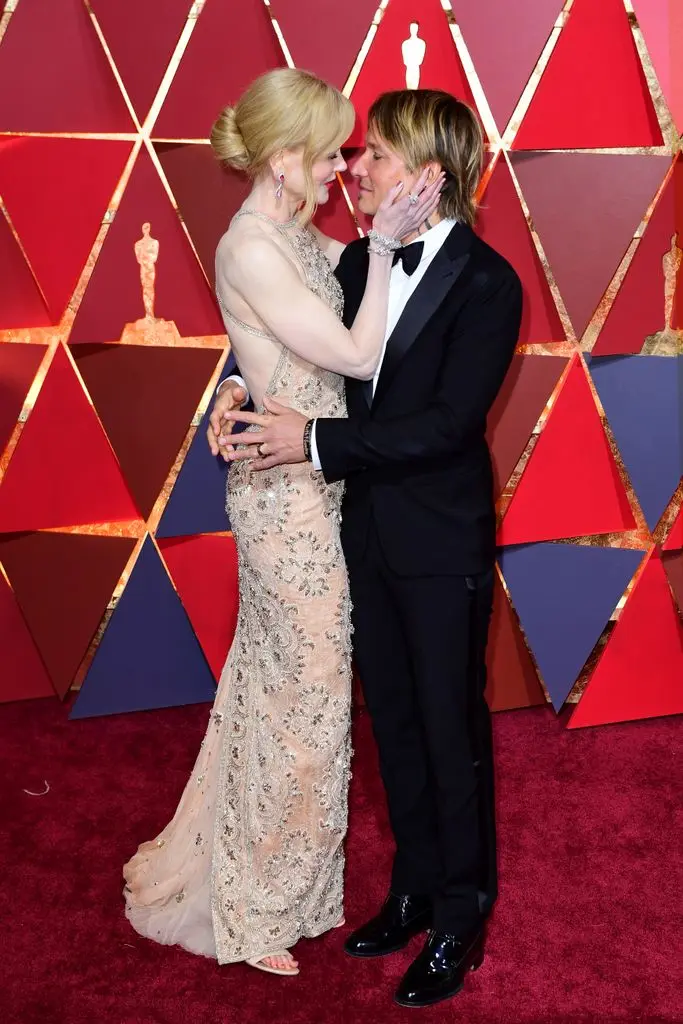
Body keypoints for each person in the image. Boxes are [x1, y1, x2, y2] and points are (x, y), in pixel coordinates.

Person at [122, 68, 440, 978]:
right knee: (302, 698)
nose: (345, 166)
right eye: (334, 149)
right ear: (285, 156)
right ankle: (257, 905)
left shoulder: (290, 237)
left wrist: (242, 385)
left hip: (316, 480)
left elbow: (277, 354)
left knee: (278, 689)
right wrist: (381, 251)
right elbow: (350, 351)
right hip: (286, 504)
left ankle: (274, 885)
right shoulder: (254, 245)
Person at [214, 88, 523, 1008]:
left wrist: (310, 444)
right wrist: (241, 390)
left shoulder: (489, 282)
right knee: (391, 722)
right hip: (357, 533)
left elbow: (444, 426)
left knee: (448, 729)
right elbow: (305, 356)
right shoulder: (356, 261)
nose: (356, 168)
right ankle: (414, 890)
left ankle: (462, 915)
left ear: (429, 174)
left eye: (377, 154)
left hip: (437, 541)